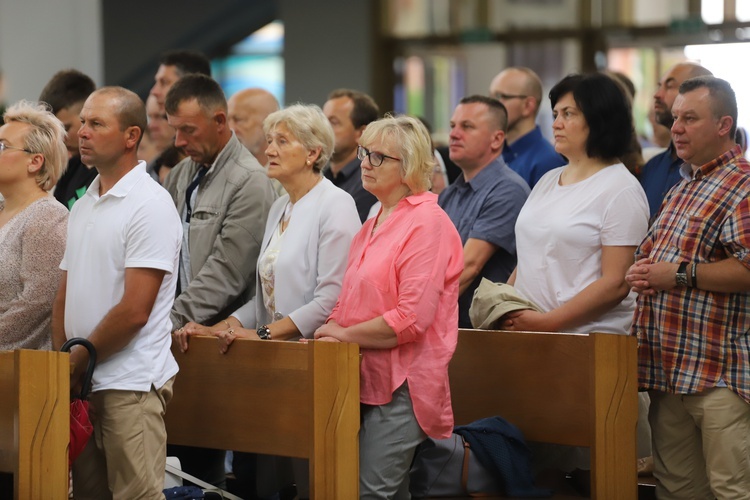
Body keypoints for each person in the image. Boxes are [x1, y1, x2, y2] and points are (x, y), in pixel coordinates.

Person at [176, 103, 361, 499]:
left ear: (313, 153)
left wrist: (261, 334)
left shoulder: (336, 204)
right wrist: (219, 327)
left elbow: (331, 298)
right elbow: (264, 295)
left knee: (311, 480)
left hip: (315, 360)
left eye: (282, 141)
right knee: (270, 480)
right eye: (270, 140)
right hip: (275, 358)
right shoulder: (281, 205)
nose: (269, 150)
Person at [314, 115, 464, 499]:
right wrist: (329, 329)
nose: (364, 162)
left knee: (369, 493)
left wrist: (342, 335)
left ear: (410, 165)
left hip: (403, 383)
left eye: (379, 156)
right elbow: (348, 300)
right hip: (358, 374)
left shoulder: (428, 222)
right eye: (365, 152)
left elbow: (410, 320)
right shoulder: (374, 220)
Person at [51, 86, 182, 499]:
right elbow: (64, 296)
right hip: (83, 382)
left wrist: (75, 363)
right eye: (83, 123)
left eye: (96, 124)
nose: (83, 133)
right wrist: (62, 368)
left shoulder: (150, 205)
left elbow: (135, 311)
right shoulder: (85, 203)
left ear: (131, 136)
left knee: (136, 496)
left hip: (130, 383)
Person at [626, 76, 750, 500]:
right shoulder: (683, 186)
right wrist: (641, 271)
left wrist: (677, 274)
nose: (675, 127)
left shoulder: (743, 185)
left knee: (731, 490)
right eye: (675, 117)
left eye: (690, 118)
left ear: (723, 125)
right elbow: (653, 258)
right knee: (677, 490)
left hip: (720, 374)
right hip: (668, 369)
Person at [163, 73, 275, 487]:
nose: (178, 141)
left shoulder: (250, 181)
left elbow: (228, 271)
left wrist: (166, 320)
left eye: (187, 129)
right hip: (183, 336)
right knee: (182, 458)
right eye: (174, 128)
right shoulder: (179, 176)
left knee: (223, 468)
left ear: (220, 121)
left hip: (225, 341)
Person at [502, 73, 648, 335]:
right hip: (530, 335)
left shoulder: (620, 189)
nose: (556, 124)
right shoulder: (548, 180)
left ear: (600, 120)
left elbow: (616, 283)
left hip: (585, 341)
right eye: (556, 114)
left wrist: (547, 323)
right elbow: (529, 258)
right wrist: (505, 307)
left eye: (568, 114)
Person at [438, 95, 529, 328]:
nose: (454, 134)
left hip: (481, 332)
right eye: (453, 126)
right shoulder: (450, 194)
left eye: (467, 126)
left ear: (496, 139)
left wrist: (419, 315)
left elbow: (468, 267)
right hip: (449, 326)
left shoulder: (508, 189)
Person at [0, 100, 68, 350]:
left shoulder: (47, 217)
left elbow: (36, 303)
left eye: (3, 147)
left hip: (22, 372)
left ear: (35, 161)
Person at [639, 62, 712, 220]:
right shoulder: (652, 167)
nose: (657, 94)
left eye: (669, 86)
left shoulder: (713, 171)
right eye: (659, 86)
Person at [489, 67, 564, 188]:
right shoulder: (495, 153)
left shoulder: (547, 162)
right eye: (490, 97)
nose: (490, 105)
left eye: (500, 96)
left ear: (528, 106)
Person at [38, 69, 97, 209]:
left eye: (66, 127)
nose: (60, 138)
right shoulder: (67, 171)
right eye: (53, 131)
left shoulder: (108, 171)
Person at [323, 88, 379, 222]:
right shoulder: (323, 176)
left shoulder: (368, 181)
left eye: (333, 122)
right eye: (323, 122)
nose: (322, 129)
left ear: (361, 133)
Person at [227, 87, 284, 196]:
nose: (231, 129)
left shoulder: (290, 178)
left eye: (239, 119)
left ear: (270, 123)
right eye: (227, 120)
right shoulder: (222, 173)